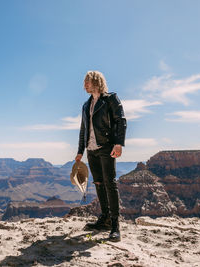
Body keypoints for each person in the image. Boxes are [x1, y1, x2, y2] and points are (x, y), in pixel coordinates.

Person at [75, 70, 127, 242]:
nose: (85, 85)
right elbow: (83, 129)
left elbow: (121, 120)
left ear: (96, 81)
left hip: (106, 147)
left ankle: (115, 225)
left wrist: (118, 143)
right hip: (91, 150)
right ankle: (104, 218)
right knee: (98, 183)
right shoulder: (86, 105)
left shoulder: (110, 99)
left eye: (87, 82)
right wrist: (80, 151)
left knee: (110, 183)